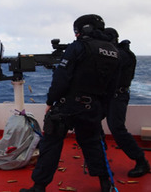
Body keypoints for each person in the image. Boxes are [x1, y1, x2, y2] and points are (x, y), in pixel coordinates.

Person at [20, 14, 120, 192]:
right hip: (93, 107)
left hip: (68, 107)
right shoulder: (114, 51)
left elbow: (62, 78)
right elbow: (112, 86)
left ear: (84, 29)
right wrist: (102, 108)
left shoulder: (79, 47)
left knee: (51, 144)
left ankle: (39, 187)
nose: (76, 35)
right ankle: (106, 183)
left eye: (77, 31)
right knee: (93, 144)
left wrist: (51, 100)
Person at [103, 27, 150, 177]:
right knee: (92, 123)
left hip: (118, 96)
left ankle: (141, 161)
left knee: (117, 129)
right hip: (107, 95)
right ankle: (99, 155)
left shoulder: (124, 54)